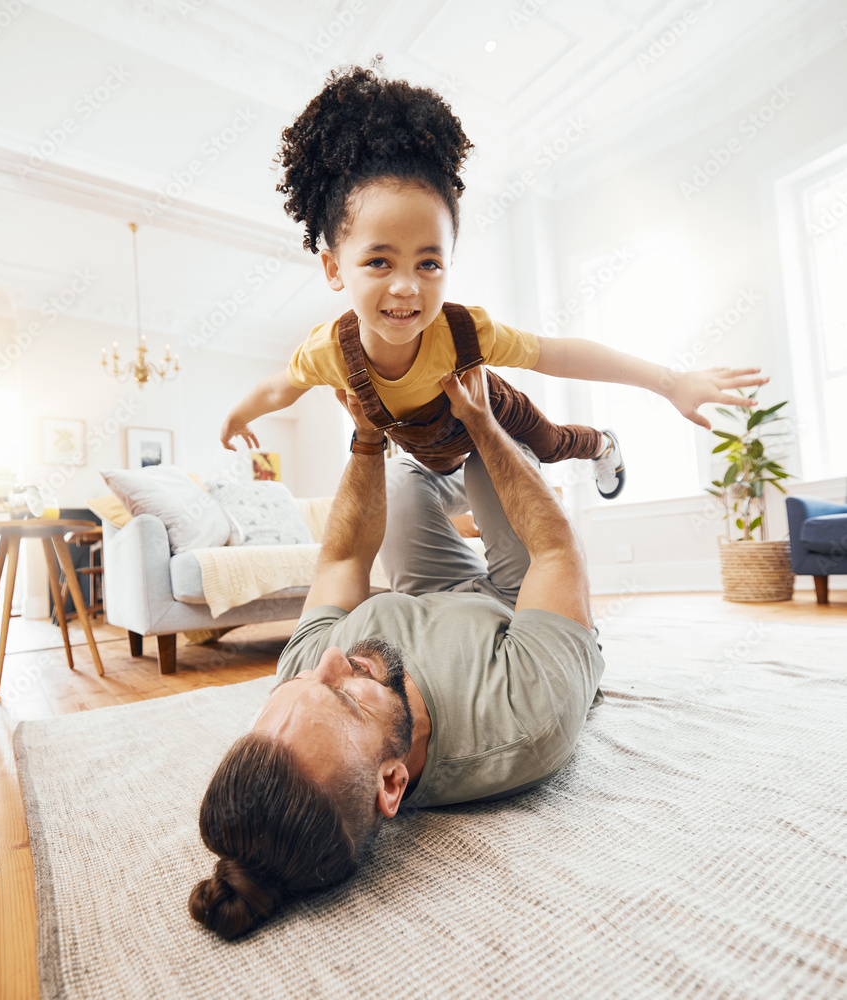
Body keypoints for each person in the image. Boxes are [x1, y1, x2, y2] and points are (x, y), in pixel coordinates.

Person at [190, 357, 766, 940]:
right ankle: (533, 457)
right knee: (496, 459)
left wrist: (366, 436)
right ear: (391, 783)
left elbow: (343, 559)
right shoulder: (523, 718)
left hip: (431, 595)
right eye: (347, 697)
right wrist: (485, 428)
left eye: (303, 682)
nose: (330, 661)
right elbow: (555, 552)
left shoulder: (308, 676)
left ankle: (453, 473)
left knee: (398, 480)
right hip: (522, 610)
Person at [220, 63, 766, 498]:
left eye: (428, 263)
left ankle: (602, 444)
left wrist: (669, 383)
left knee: (550, 444)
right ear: (335, 268)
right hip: (435, 453)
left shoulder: (464, 332)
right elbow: (277, 389)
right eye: (380, 262)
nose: (407, 286)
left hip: (495, 412)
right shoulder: (331, 352)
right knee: (427, 485)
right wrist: (236, 417)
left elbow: (559, 355)